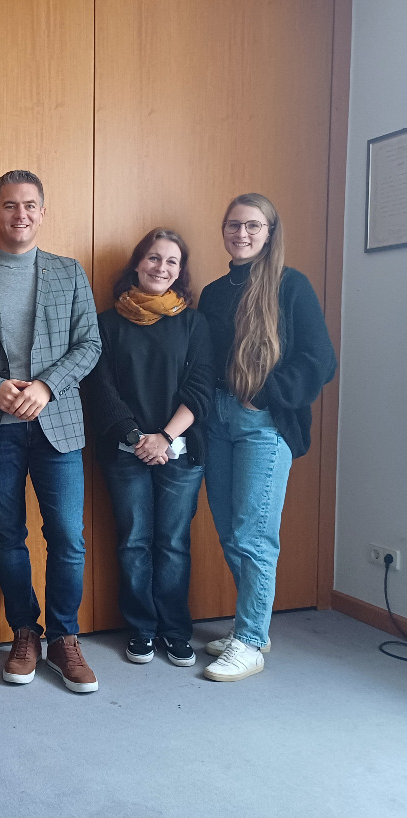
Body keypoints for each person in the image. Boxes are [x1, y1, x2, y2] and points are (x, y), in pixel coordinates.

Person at [0, 170, 102, 693]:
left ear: (42, 212)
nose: (20, 214)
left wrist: (48, 386)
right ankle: (24, 632)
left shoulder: (69, 272)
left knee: (67, 537)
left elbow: (90, 344)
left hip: (58, 427)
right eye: (10, 205)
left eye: (30, 205)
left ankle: (64, 638)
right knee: (7, 535)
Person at [199, 193, 336, 682]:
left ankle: (252, 640)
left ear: (269, 232)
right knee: (228, 530)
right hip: (215, 422)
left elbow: (320, 359)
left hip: (264, 425)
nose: (242, 233)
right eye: (234, 225)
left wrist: (266, 393)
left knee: (252, 534)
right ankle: (251, 624)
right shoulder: (214, 293)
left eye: (253, 225)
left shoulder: (290, 285)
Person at [86, 228, 213, 667]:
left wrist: (165, 437)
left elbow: (201, 388)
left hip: (181, 450)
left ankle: (175, 632)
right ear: (137, 264)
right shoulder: (107, 323)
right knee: (134, 542)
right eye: (154, 258)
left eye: (172, 261)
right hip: (126, 451)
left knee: (173, 543)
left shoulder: (194, 323)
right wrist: (137, 438)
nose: (162, 267)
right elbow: (100, 389)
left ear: (180, 272)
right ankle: (141, 629)